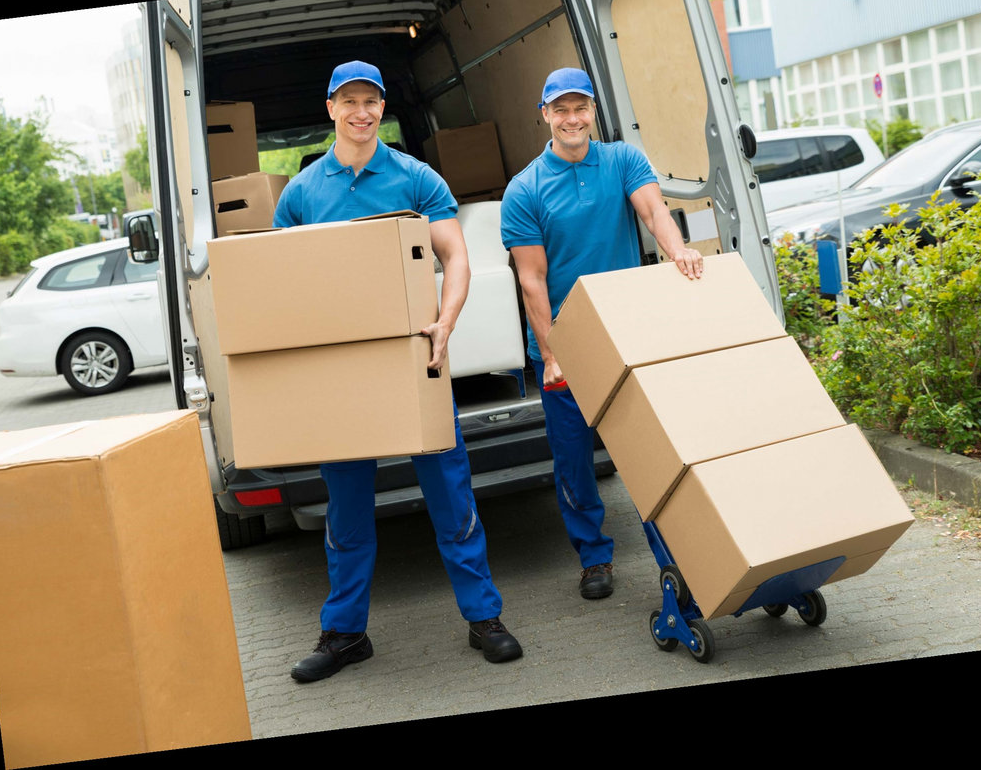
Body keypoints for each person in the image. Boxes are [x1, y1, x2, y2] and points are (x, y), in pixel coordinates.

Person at [274, 60, 521, 683]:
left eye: (372, 102)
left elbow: (455, 255)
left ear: (382, 109)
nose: (362, 112)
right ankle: (345, 634)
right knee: (347, 509)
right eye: (350, 101)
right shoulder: (302, 193)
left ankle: (484, 618)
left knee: (449, 491)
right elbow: (280, 282)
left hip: (416, 358)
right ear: (330, 107)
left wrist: (447, 322)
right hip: (344, 373)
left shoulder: (415, 178)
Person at [500, 67, 704, 600]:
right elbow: (532, 279)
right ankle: (593, 557)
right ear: (544, 114)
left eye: (580, 108)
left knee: (648, 448)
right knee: (574, 461)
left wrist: (677, 249)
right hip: (566, 343)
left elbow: (653, 209)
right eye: (560, 109)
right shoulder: (525, 189)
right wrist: (550, 354)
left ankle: (678, 545)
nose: (572, 119)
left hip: (627, 332)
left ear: (593, 112)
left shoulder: (622, 160)